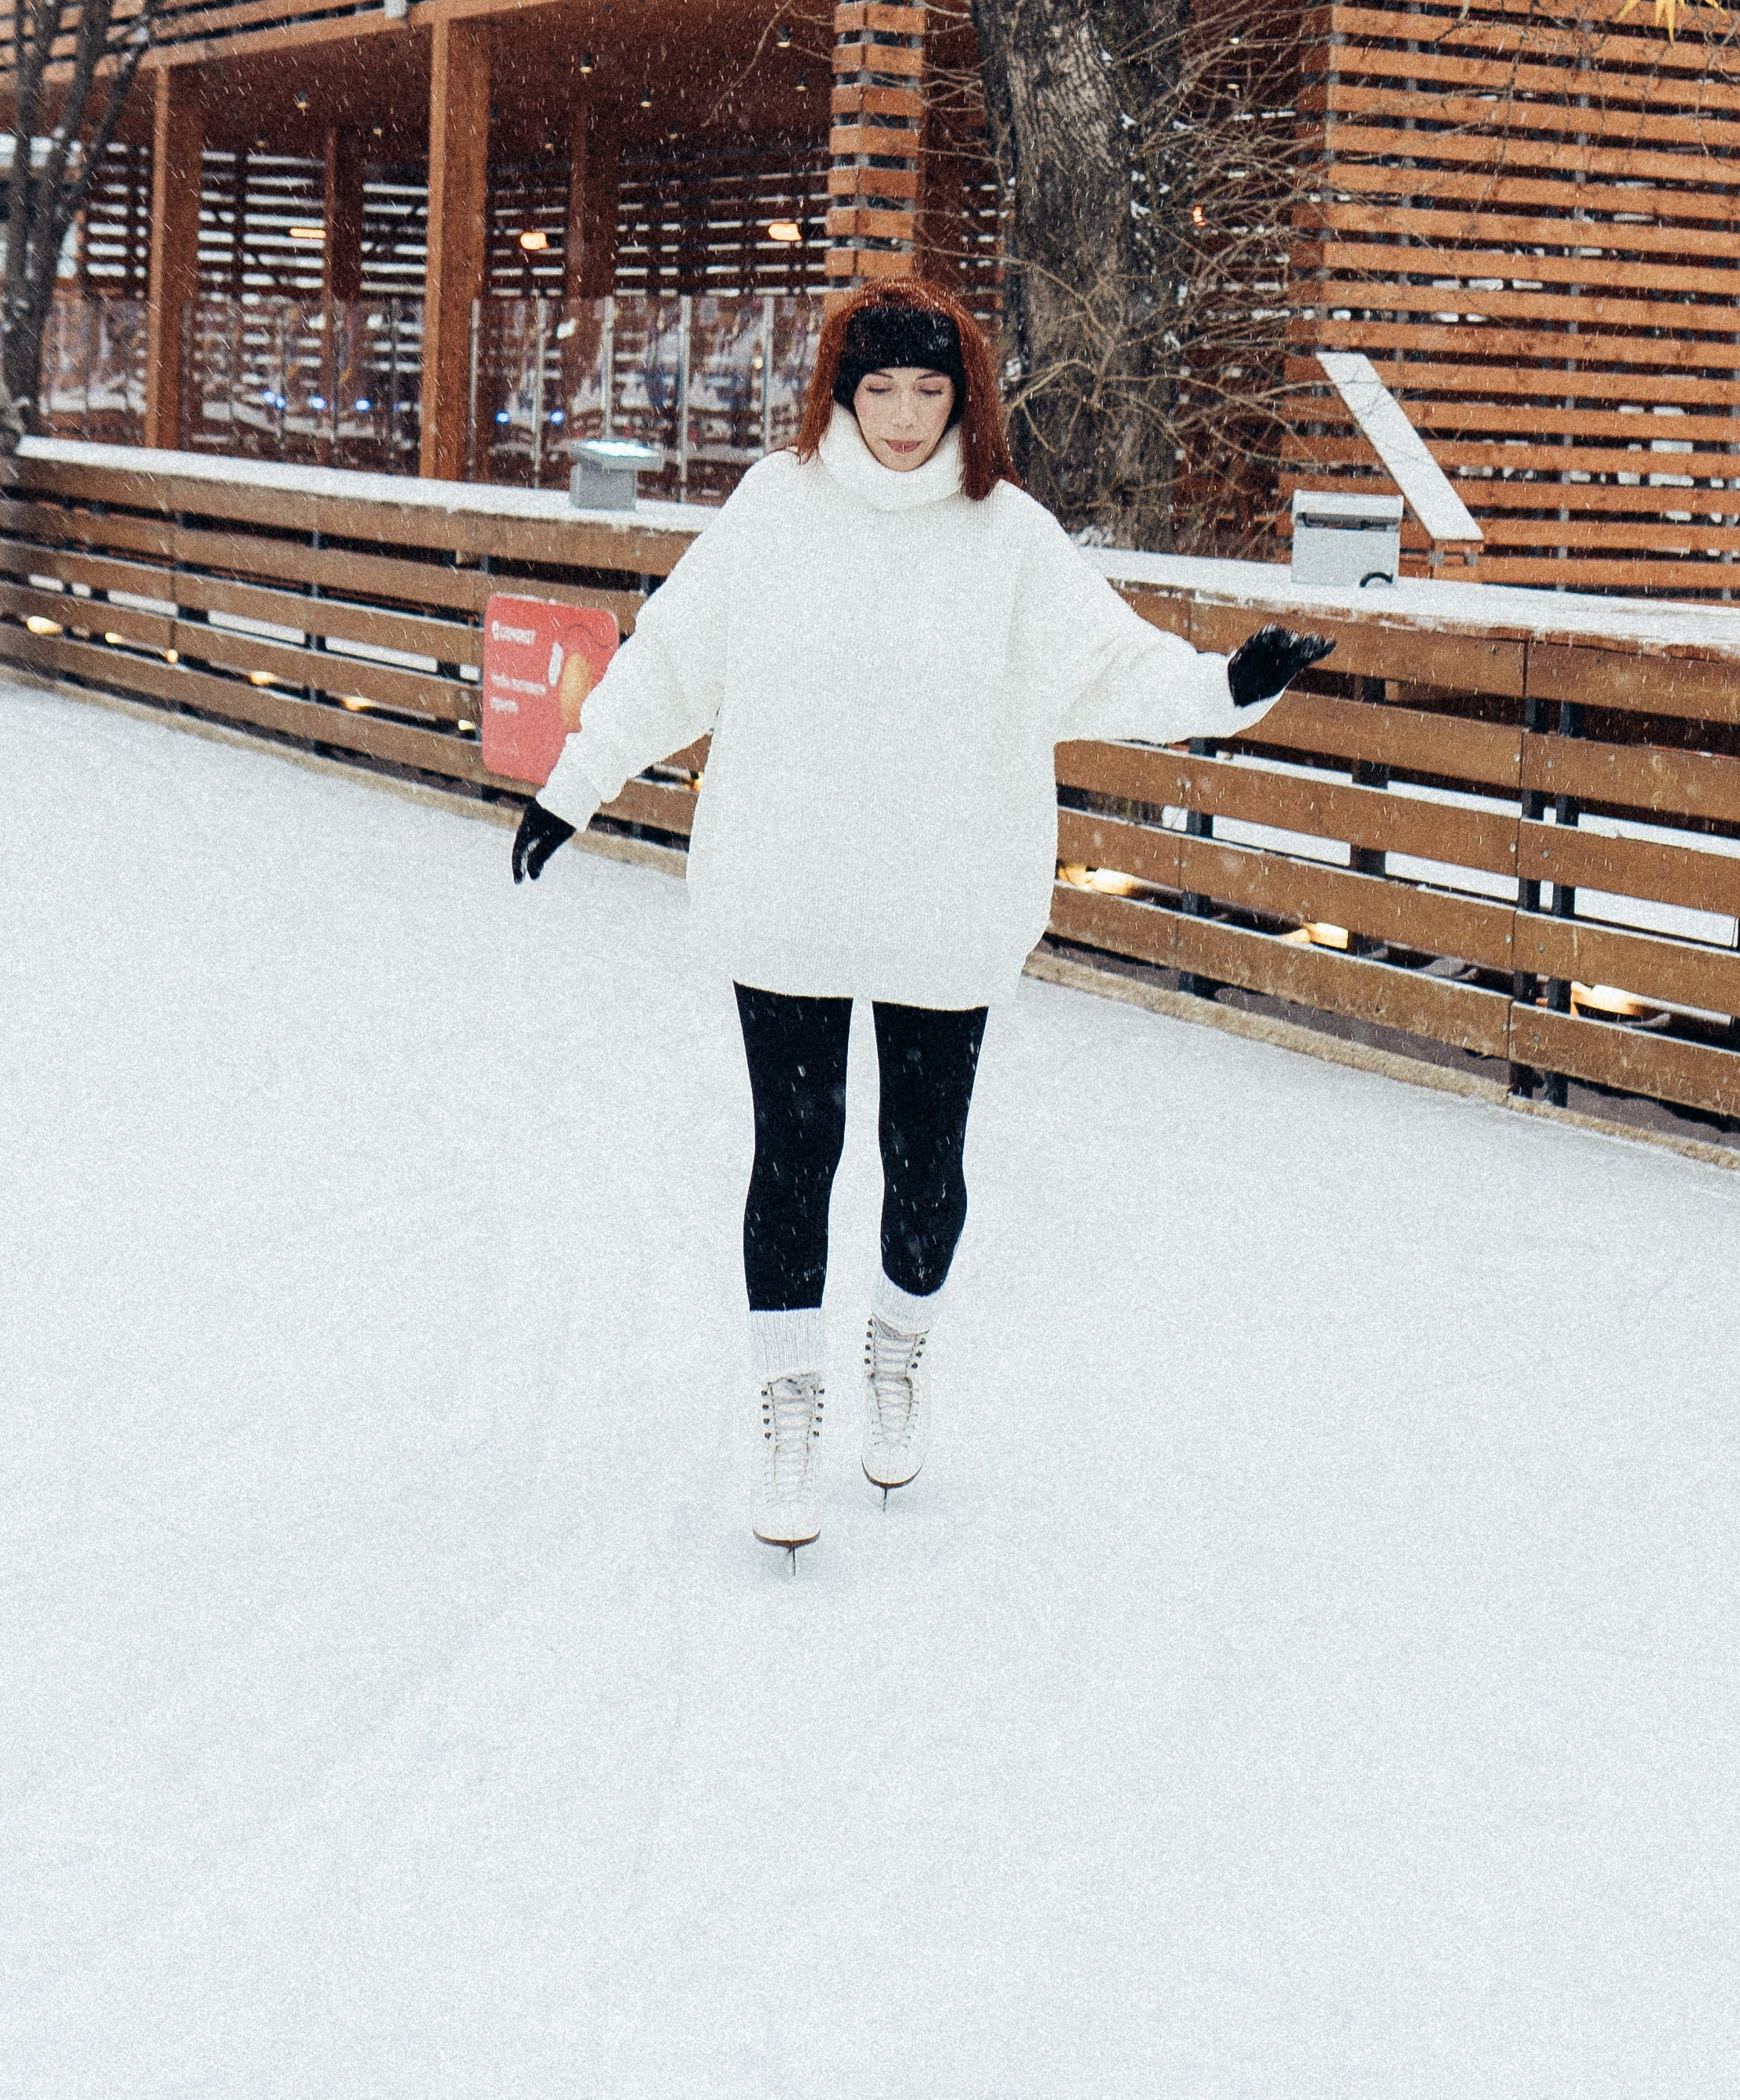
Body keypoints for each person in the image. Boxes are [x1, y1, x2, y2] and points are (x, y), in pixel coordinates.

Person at [511, 277, 1332, 1558]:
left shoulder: (1005, 536)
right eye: (879, 389)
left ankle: (898, 1348)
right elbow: (671, 658)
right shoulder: (776, 513)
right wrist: (574, 790)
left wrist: (1230, 686)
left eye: (928, 390)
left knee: (923, 1164)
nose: (902, 417)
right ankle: (789, 1408)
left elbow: (1111, 665)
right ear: (842, 390)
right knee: (794, 1152)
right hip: (789, 889)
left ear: (965, 398)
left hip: (946, 898)